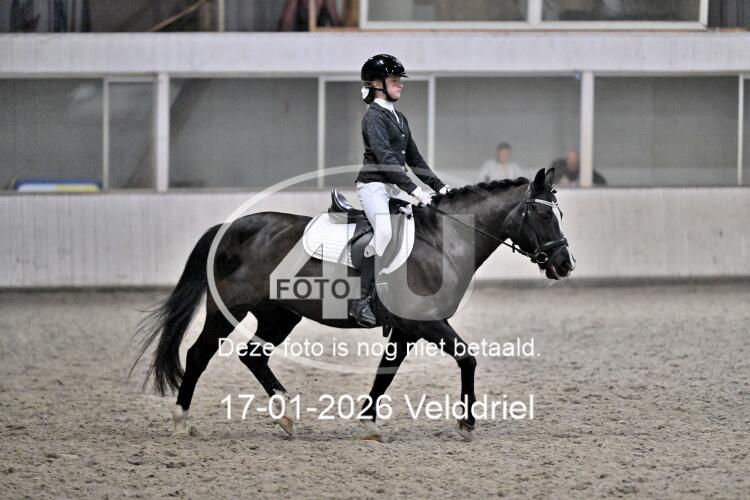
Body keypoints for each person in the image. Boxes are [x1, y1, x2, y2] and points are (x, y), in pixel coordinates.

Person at [349, 53, 449, 327]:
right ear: (377, 84)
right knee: (383, 232)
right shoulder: (373, 117)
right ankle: (360, 300)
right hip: (373, 187)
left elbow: (414, 159)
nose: (400, 84)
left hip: (393, 187)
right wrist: (415, 191)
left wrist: (440, 187)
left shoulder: (399, 118)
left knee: (416, 229)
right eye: (394, 80)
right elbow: (386, 159)